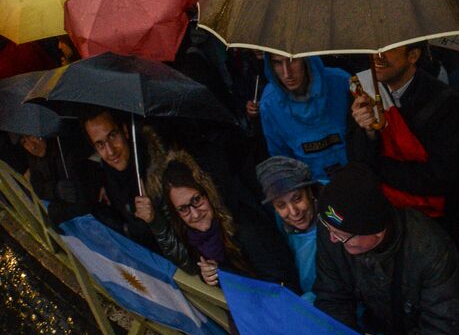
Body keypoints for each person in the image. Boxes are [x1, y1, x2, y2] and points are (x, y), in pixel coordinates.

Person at [314, 163, 459, 335]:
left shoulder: (430, 249)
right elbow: (331, 299)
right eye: (327, 227)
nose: (332, 239)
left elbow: (442, 329)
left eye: (342, 237)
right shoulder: (332, 230)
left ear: (376, 232)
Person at [348, 43, 459, 223]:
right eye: (375, 48)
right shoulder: (363, 91)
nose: (378, 57)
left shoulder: (445, 102)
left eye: (389, 49)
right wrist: (369, 132)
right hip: (384, 211)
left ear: (413, 55)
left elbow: (440, 176)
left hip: (433, 216)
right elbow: (357, 162)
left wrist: (379, 166)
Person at [148, 150, 296, 288]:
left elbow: (276, 283)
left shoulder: (246, 227)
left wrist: (223, 274)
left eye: (197, 200)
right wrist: (207, 275)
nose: (195, 214)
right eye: (183, 209)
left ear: (208, 193)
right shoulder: (192, 238)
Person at [251, 54, 349, 181]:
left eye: (292, 61)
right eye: (277, 63)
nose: (287, 73)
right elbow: (282, 160)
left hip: (358, 175)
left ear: (306, 58)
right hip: (313, 187)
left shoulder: (340, 82)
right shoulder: (270, 104)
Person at [82, 109, 164, 250]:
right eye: (100, 144)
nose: (111, 151)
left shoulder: (158, 169)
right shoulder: (106, 175)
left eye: (113, 136)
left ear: (125, 131)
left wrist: (155, 220)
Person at [256, 155, 320, 300]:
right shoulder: (279, 222)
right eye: (281, 205)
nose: (293, 212)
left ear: (309, 191)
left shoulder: (334, 215)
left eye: (297, 199)